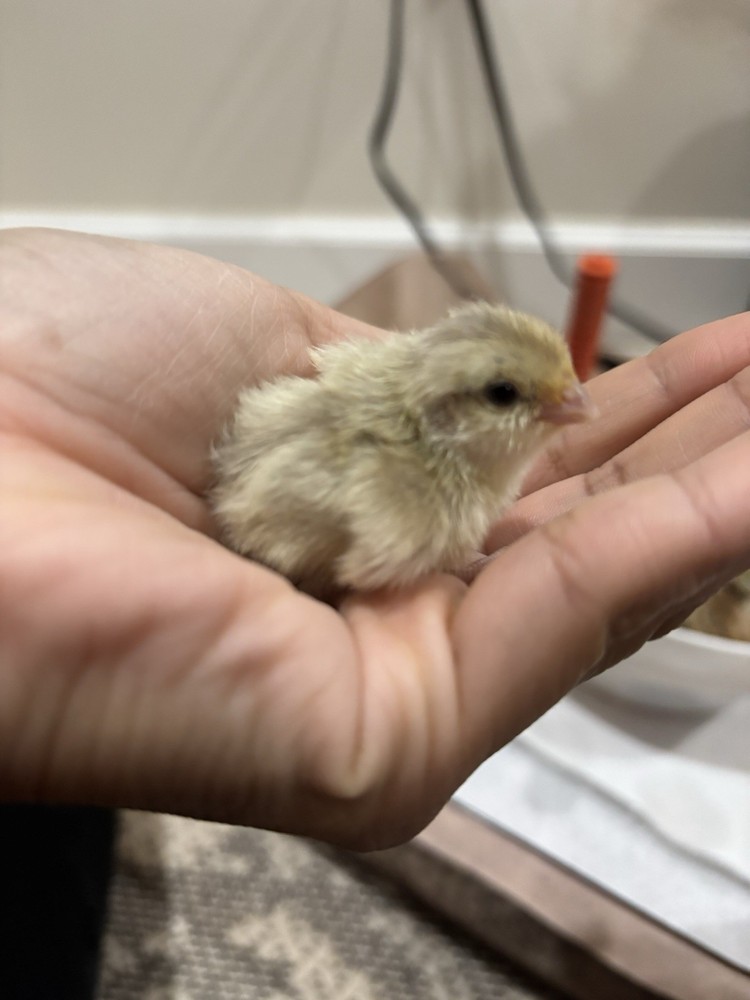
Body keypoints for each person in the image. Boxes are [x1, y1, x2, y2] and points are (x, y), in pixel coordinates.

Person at [1, 226, 749, 851]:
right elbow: (343, 538)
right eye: (506, 395)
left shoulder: (399, 392)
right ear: (446, 409)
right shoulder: (428, 500)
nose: (572, 406)